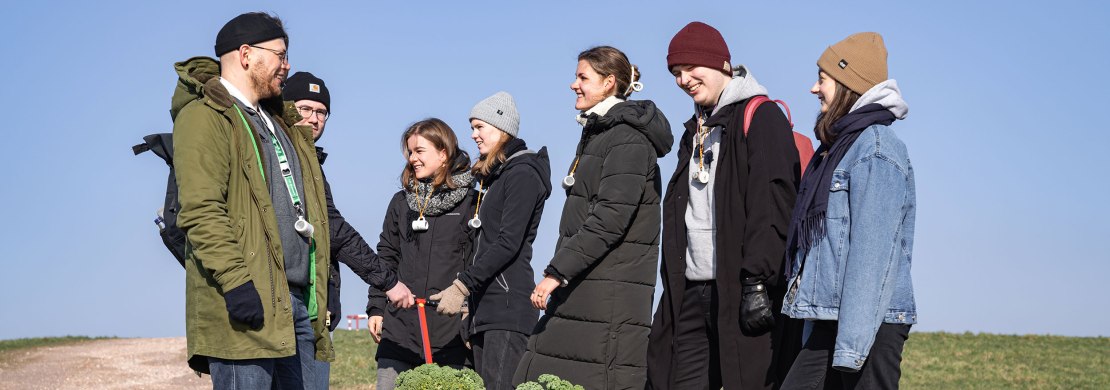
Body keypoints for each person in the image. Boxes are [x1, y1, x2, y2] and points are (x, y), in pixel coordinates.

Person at [172, 12, 332, 388]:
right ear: (246, 54)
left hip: (296, 303)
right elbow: (201, 211)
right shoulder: (204, 117)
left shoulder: (281, 123)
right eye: (280, 54)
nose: (287, 65)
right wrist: (237, 284)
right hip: (248, 303)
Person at [646, 21, 803, 390]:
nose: (683, 79)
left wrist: (757, 281)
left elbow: (774, 204)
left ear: (719, 64)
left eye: (690, 68)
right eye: (675, 72)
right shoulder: (695, 129)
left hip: (743, 287)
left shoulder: (761, 117)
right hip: (689, 290)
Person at [513, 46, 673, 389]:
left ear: (609, 82)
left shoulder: (627, 139)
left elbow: (610, 217)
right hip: (587, 282)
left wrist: (556, 272)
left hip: (609, 292)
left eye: (582, 77)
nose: (574, 84)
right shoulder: (601, 133)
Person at [779, 32, 915, 389]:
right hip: (835, 318)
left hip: (867, 323)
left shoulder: (876, 148)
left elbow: (872, 256)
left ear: (847, 83)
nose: (813, 88)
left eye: (822, 79)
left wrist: (851, 350)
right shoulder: (839, 147)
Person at [282, 71, 416, 388]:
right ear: (287, 108)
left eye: (321, 112)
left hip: (312, 303)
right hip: (287, 302)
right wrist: (387, 280)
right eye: (305, 109)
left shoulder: (309, 161)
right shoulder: (286, 159)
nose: (314, 119)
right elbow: (333, 230)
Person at [429, 92, 551, 390]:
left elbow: (508, 243)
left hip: (507, 310)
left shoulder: (522, 174)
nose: (473, 135)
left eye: (479, 127)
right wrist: (472, 305)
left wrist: (461, 286)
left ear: (502, 128)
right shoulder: (494, 178)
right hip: (486, 310)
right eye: (472, 127)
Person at [368, 118, 476, 390]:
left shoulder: (472, 203)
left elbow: (477, 261)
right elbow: (387, 256)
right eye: (410, 152)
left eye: (419, 151)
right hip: (400, 330)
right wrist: (376, 307)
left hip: (451, 333)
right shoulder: (400, 202)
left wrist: (470, 314)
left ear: (443, 154)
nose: (412, 158)